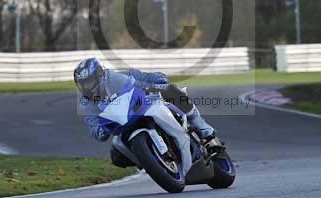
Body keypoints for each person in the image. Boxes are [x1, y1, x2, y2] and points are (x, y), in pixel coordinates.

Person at [74, 57, 215, 168]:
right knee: (116, 156)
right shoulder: (87, 102)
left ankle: (201, 126)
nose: (86, 87)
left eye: (88, 82)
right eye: (82, 84)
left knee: (172, 90)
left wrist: (158, 81)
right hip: (123, 126)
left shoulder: (118, 77)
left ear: (99, 75)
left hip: (143, 106)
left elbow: (146, 77)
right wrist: (100, 131)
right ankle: (149, 160)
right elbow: (93, 126)